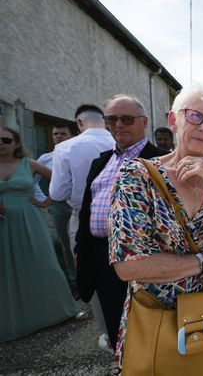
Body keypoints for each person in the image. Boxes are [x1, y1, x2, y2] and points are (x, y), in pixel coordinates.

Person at [108, 84, 203, 374]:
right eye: (195, 116)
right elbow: (130, 267)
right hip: (158, 316)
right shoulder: (137, 176)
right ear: (174, 120)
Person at [74, 95, 168, 352]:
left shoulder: (162, 161)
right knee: (118, 330)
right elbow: (87, 211)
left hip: (145, 259)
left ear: (144, 122)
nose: (118, 125)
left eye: (126, 119)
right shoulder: (101, 161)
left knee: (153, 332)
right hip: (102, 257)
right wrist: (80, 251)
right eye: (112, 119)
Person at [0, 126, 83, 343]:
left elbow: (59, 181)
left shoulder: (29, 164)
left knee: (43, 262)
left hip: (29, 220)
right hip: (3, 222)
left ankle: (59, 310)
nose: (1, 143)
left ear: (16, 143)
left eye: (5, 140)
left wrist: (47, 199)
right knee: (6, 269)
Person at [49, 105, 115, 250]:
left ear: (79, 122)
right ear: (104, 122)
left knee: (85, 268)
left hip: (83, 217)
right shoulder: (119, 143)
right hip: (120, 216)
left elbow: (58, 194)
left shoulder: (65, 147)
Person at [31, 124, 77, 291]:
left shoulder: (76, 155)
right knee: (65, 245)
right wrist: (44, 200)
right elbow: (32, 181)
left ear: (71, 136)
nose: (58, 136)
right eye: (55, 134)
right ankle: (73, 281)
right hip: (59, 207)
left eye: (63, 133)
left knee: (80, 244)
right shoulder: (46, 158)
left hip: (78, 206)